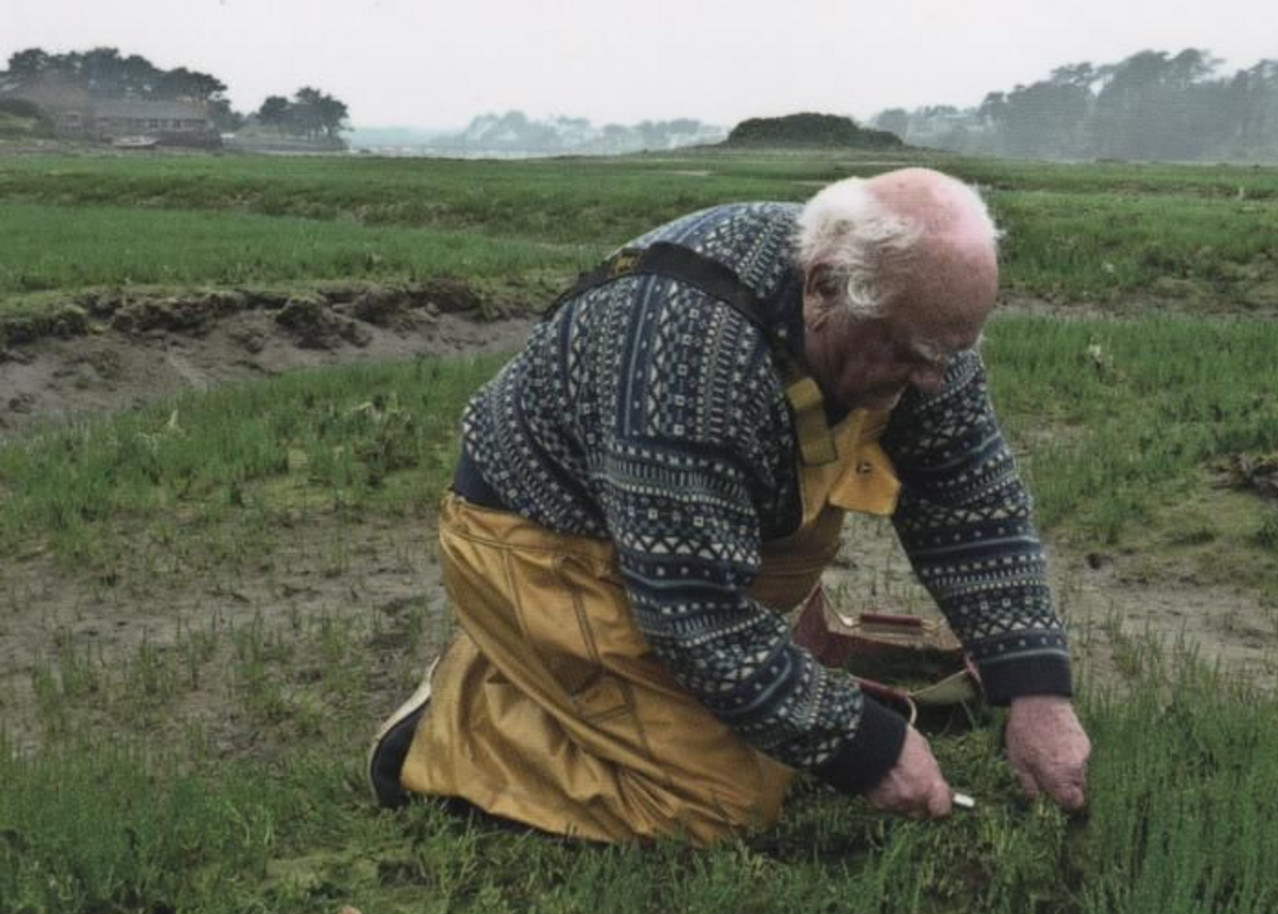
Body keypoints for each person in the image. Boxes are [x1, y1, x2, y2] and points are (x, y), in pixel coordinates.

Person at [367, 167, 1092, 844]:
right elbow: (692, 610)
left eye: (951, 353)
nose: (935, 381)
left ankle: (577, 676)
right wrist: (865, 747)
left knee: (761, 713)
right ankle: (456, 725)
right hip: (544, 543)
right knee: (723, 799)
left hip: (673, 544)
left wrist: (1035, 690)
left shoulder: (904, 312)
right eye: (912, 354)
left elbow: (970, 499)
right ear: (823, 287)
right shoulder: (691, 347)